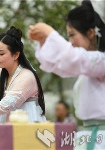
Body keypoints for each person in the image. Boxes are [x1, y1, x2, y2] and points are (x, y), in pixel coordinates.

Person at [29, 1, 105, 149]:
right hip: (90, 136)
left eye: (72, 35)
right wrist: (44, 41)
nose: (70, 42)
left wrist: (50, 33)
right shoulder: (89, 67)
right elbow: (62, 66)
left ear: (90, 33)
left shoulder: (101, 62)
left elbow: (73, 59)